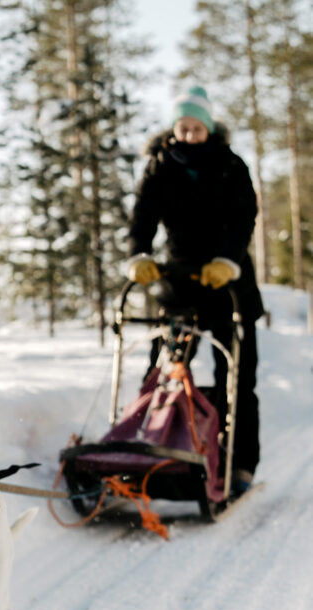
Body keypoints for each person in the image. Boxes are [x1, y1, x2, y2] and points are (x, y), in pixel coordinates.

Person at [126, 86, 263, 494]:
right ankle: (149, 453)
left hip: (229, 285)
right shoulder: (159, 165)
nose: (188, 135)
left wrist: (228, 260)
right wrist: (138, 255)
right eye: (182, 128)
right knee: (165, 374)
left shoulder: (230, 165)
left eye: (195, 128)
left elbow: (244, 217)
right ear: (174, 128)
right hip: (179, 283)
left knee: (235, 379)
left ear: (208, 128)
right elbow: (142, 216)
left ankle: (238, 464)